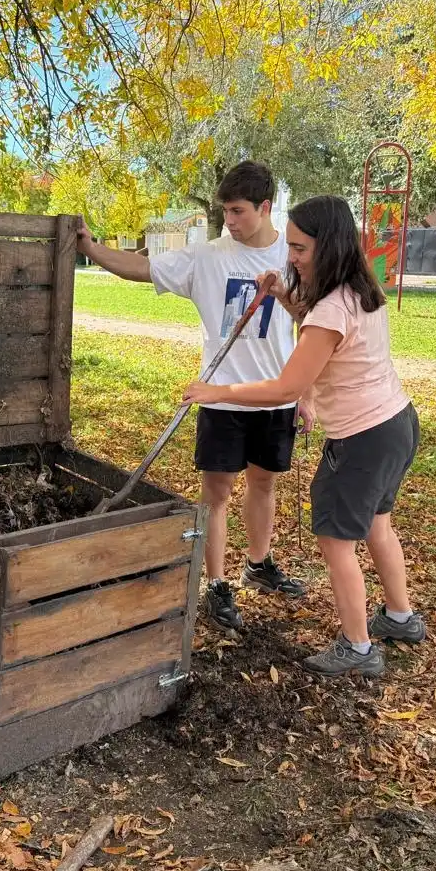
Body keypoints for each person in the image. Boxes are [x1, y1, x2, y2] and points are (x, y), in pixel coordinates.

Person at [181, 194, 424, 676]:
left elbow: (287, 387)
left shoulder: (331, 308)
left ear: (328, 246)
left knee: (336, 542)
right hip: (397, 423)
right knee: (378, 524)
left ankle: (357, 648)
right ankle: (401, 617)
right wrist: (282, 296)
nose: (290, 257)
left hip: (361, 439)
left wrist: (216, 390)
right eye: (289, 246)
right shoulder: (360, 289)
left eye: (299, 249)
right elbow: (316, 328)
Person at [77, 161, 313, 630]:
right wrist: (90, 247)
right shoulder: (207, 257)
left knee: (264, 485)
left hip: (275, 396)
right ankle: (217, 583)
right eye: (226, 211)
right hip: (221, 398)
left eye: (239, 211)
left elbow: (313, 324)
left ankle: (258, 564)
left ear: (265, 207)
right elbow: (141, 268)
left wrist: (305, 393)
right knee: (217, 494)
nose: (230, 220)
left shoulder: (293, 257)